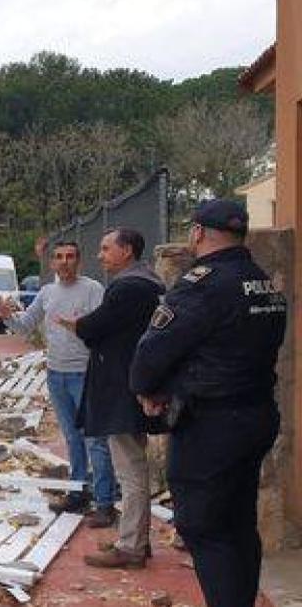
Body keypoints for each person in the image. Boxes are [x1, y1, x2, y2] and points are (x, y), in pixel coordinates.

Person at [131, 200, 286, 607]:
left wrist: (148, 389)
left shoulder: (204, 283)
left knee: (204, 528)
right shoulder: (262, 280)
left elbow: (155, 350)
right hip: (255, 415)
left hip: (212, 425)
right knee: (238, 523)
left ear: (198, 232)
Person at [55, 228, 164, 568]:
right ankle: (137, 540)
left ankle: (131, 546)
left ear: (127, 251)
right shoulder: (148, 283)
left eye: (105, 248)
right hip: (133, 384)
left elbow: (94, 327)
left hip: (122, 388)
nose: (99, 255)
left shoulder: (129, 287)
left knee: (130, 469)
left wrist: (76, 325)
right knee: (132, 465)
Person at [0, 242, 117, 525]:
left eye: (70, 257)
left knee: (95, 440)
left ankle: (104, 503)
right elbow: (25, 326)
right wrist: (7, 318)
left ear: (79, 261)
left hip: (85, 374)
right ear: (52, 263)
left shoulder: (93, 290)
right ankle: (78, 493)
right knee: (72, 438)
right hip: (55, 374)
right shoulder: (47, 292)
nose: (64, 262)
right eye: (59, 257)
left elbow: (102, 330)